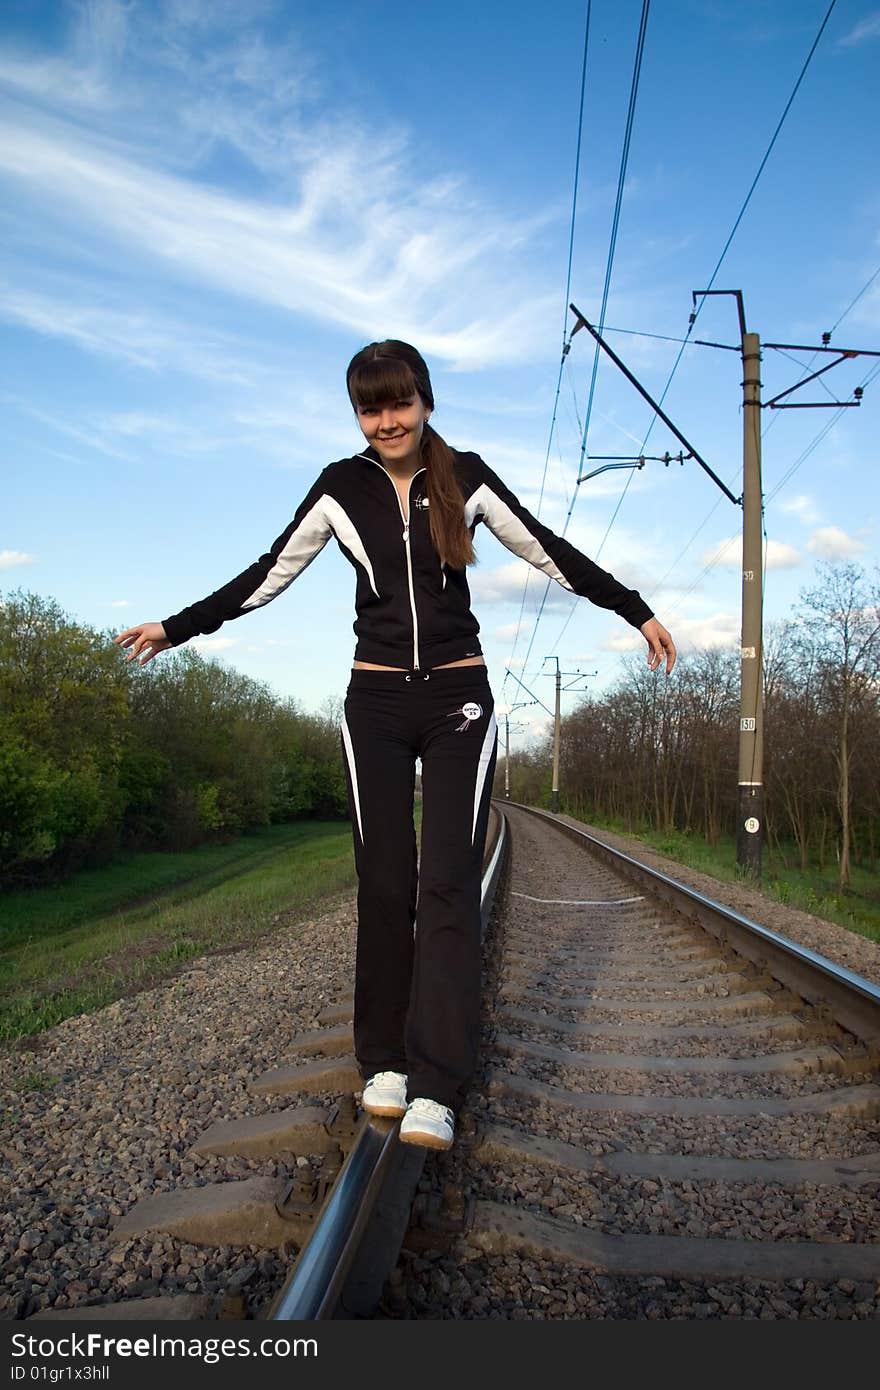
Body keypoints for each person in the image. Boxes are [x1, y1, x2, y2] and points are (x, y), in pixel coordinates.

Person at [115, 339, 676, 1152]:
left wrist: (636, 609)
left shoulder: (466, 476)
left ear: (426, 401)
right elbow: (266, 574)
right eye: (370, 407)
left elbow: (550, 551)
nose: (387, 421)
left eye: (399, 402)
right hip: (373, 702)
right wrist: (178, 627)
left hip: (458, 698)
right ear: (357, 414)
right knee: (384, 881)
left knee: (446, 883)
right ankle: (382, 1060)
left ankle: (437, 1083)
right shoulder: (340, 488)